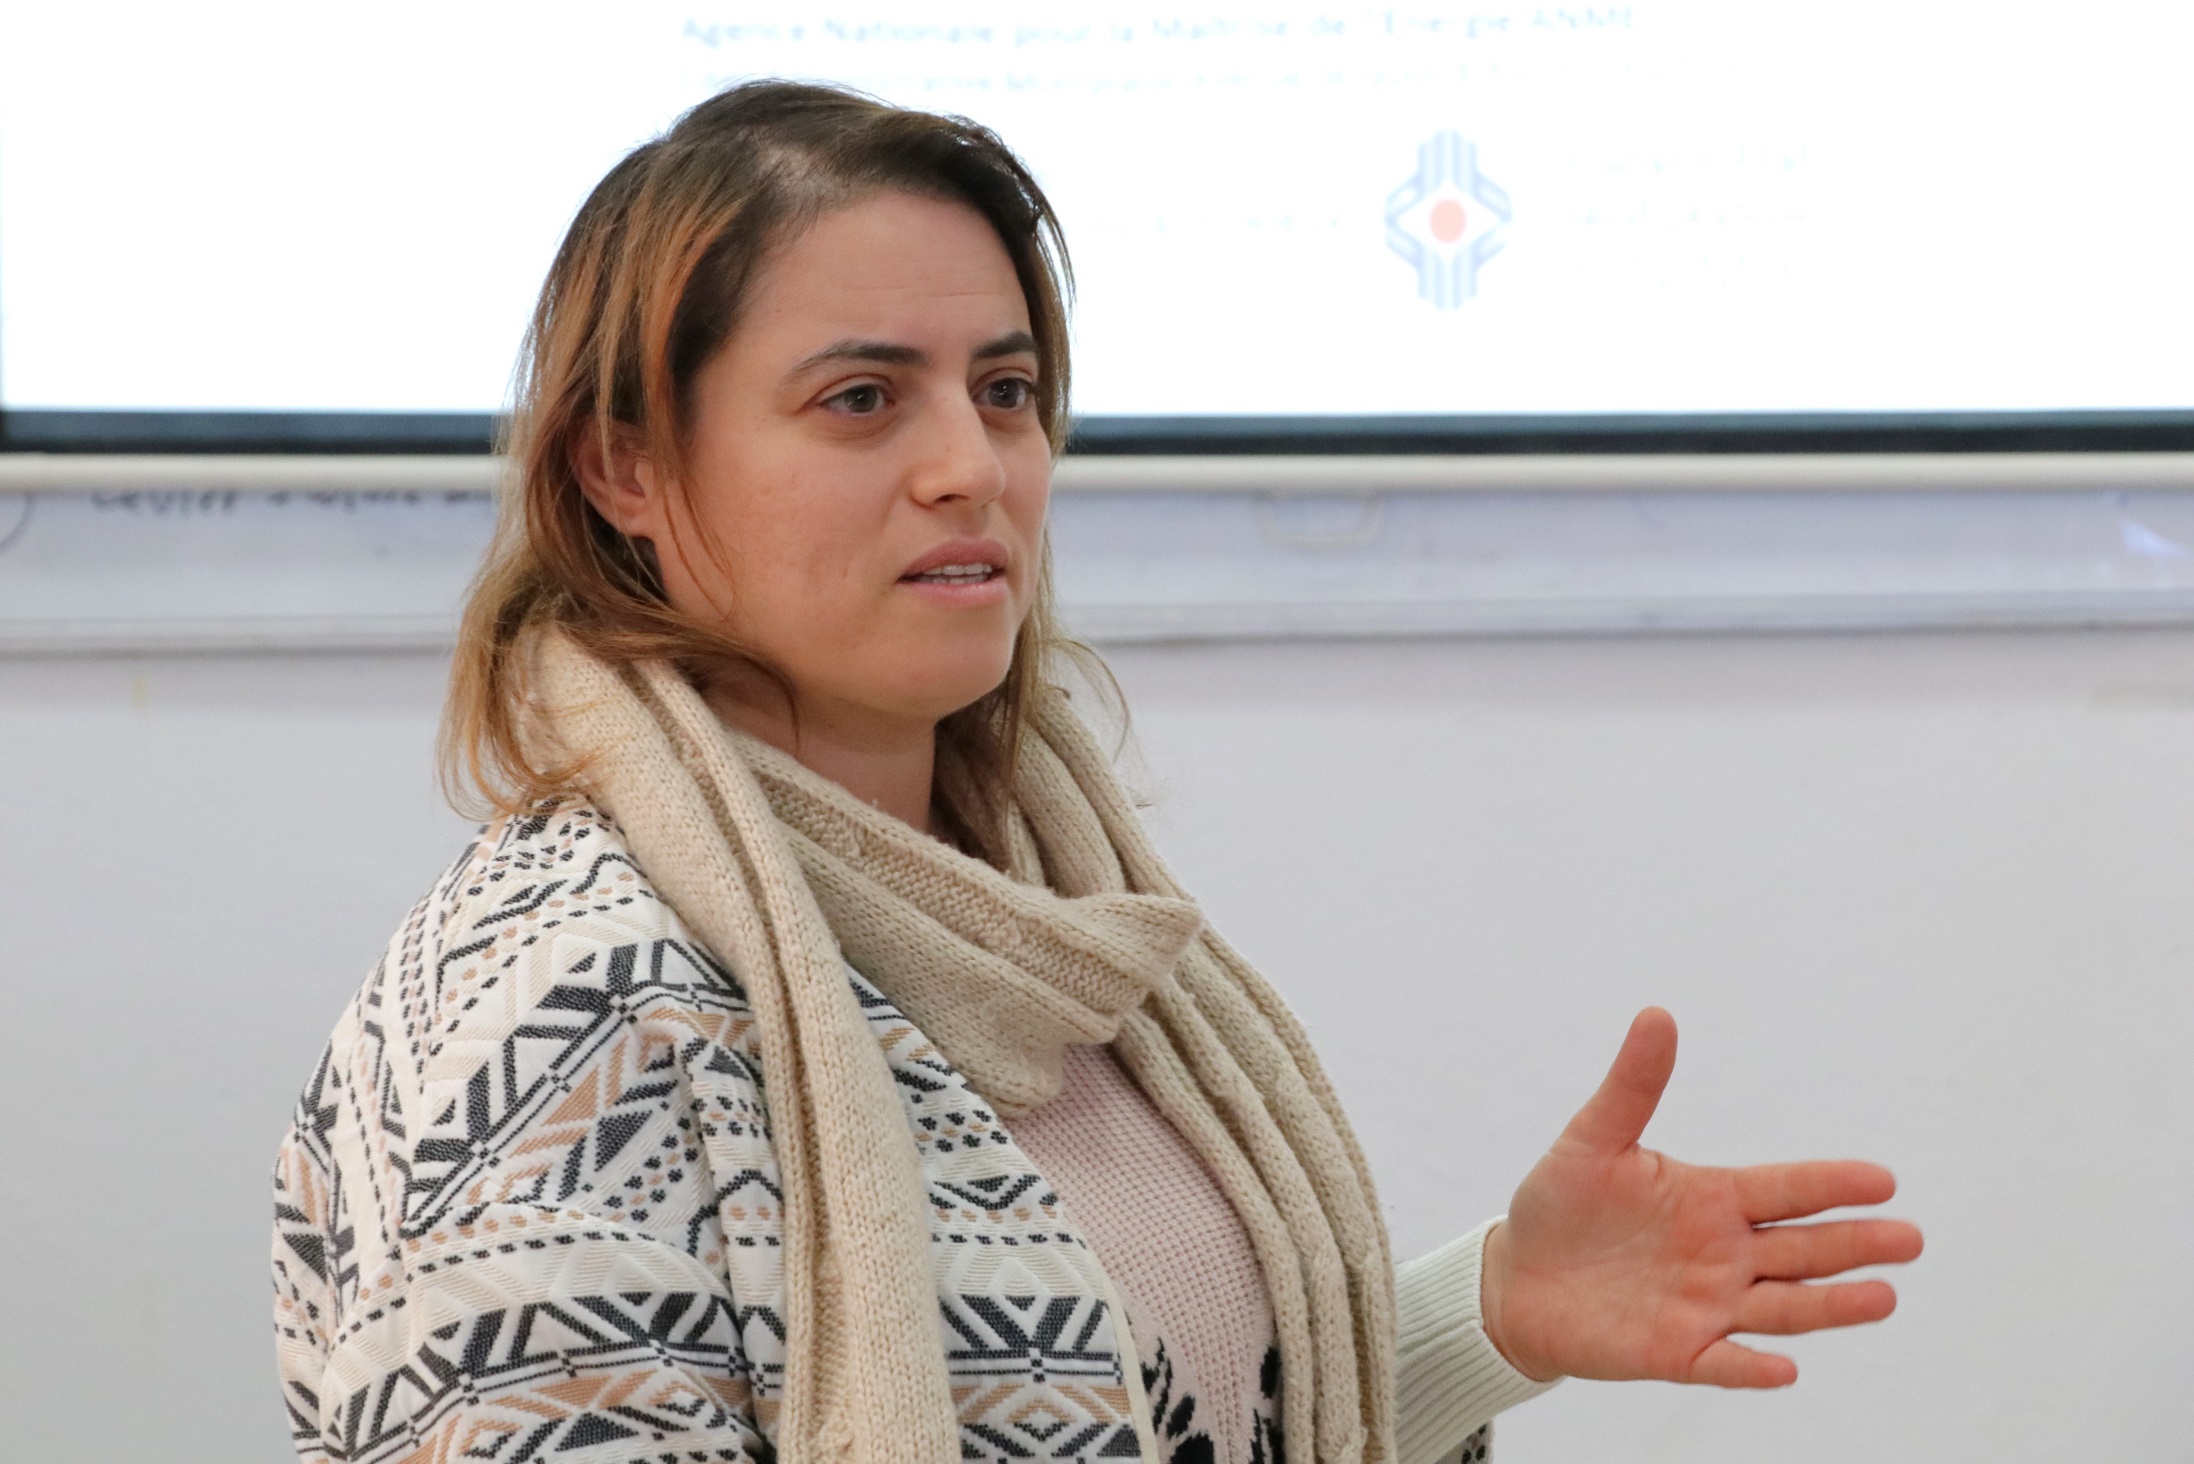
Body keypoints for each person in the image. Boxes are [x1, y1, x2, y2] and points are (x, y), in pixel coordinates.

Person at [269, 81, 1921, 1464]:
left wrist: (1483, 1318)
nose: (969, 466)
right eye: (861, 399)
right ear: (624, 466)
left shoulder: (1053, 919)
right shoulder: (557, 1007)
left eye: (1004, 392)